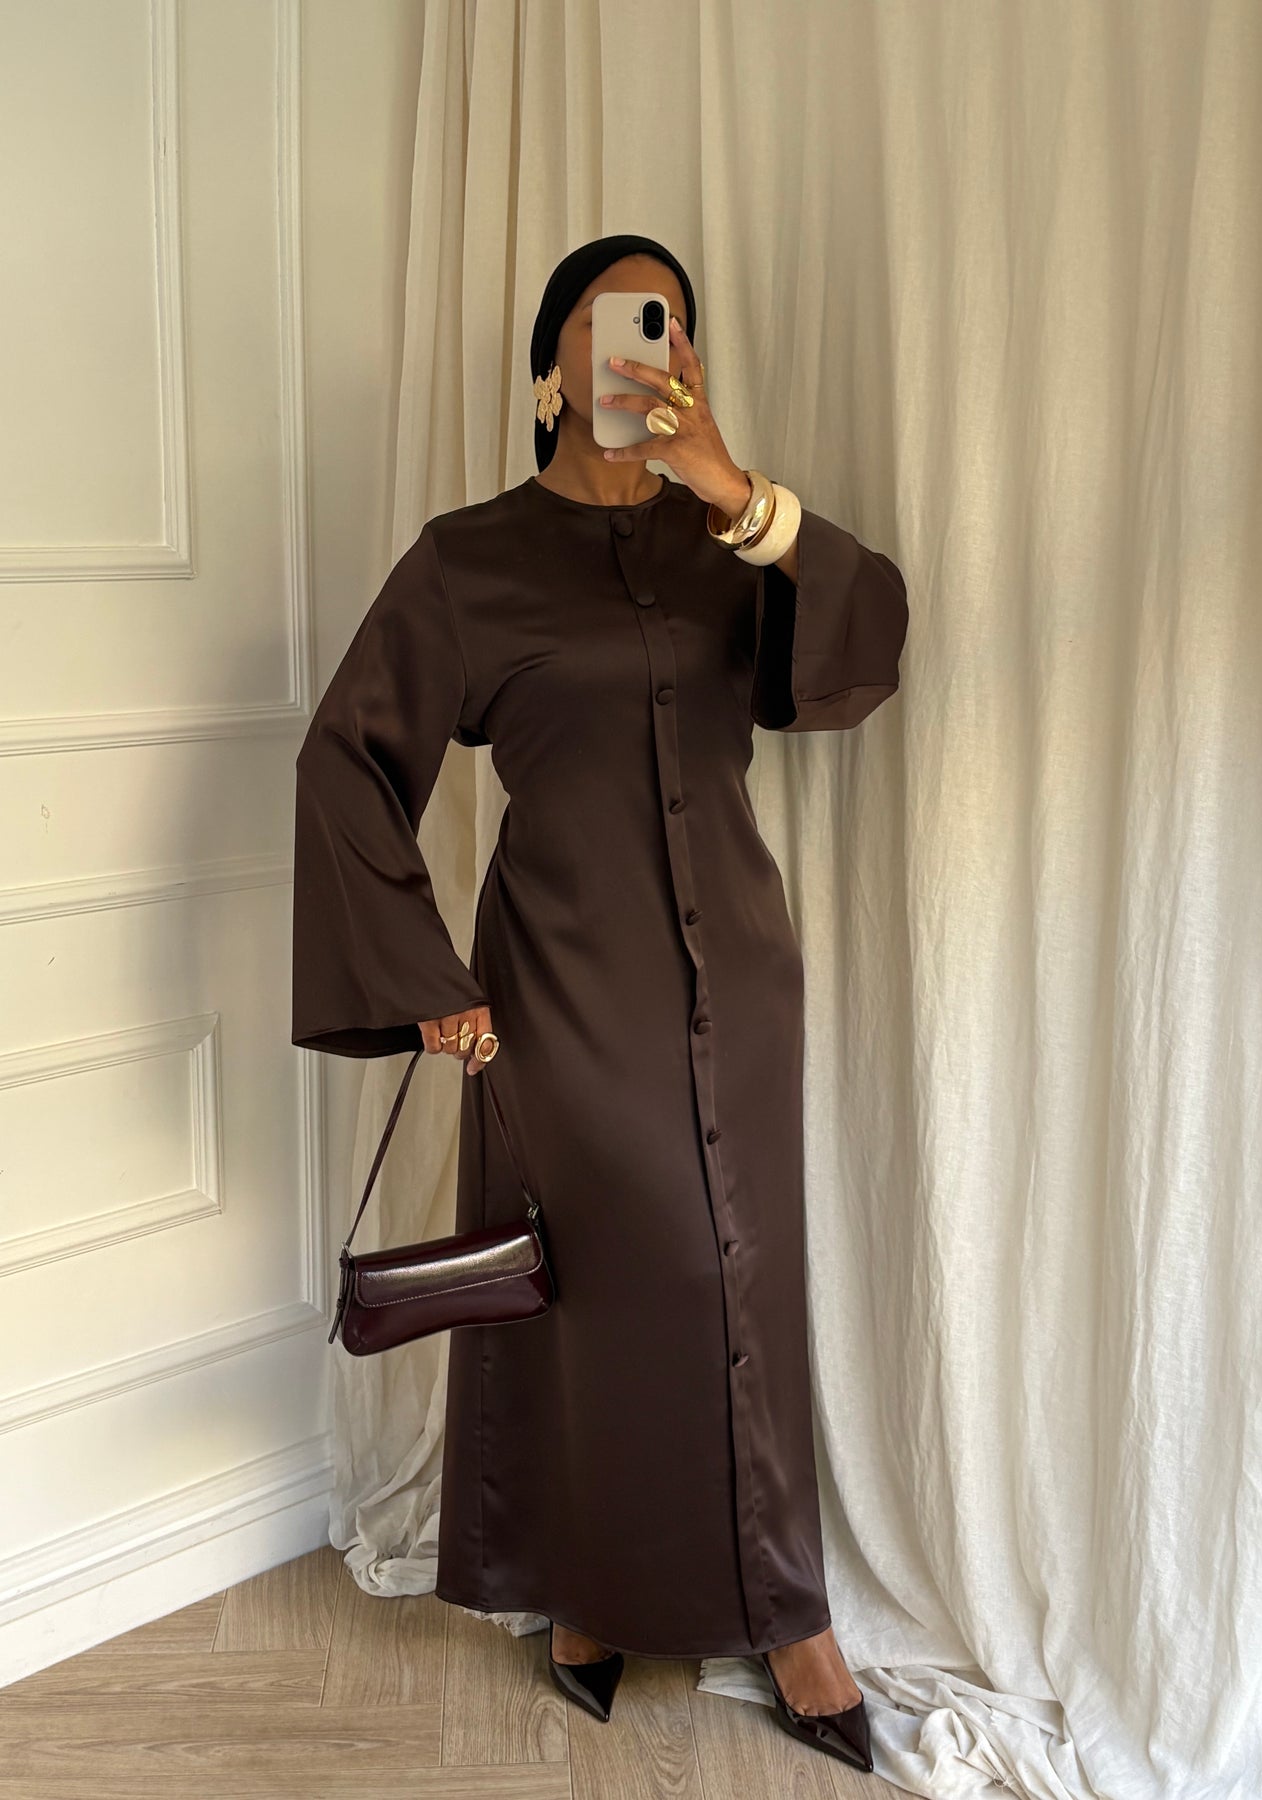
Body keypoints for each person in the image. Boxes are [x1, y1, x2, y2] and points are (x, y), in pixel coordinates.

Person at [291, 233, 908, 1775]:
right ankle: (581, 1589)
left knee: (740, 1289)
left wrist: (735, 490)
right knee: (594, 1291)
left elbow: (864, 642)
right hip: (559, 984)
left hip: (738, 981)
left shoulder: (724, 540)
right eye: (615, 318)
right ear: (550, 364)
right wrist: (423, 983)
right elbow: (345, 759)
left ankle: (789, 1616)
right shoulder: (467, 560)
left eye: (671, 323)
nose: (646, 342)